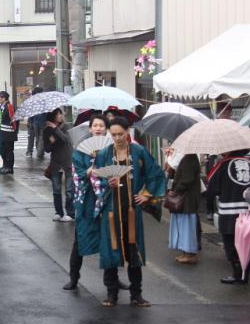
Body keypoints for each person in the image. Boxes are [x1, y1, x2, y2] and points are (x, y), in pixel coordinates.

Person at [94, 117, 166, 307]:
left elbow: (156, 174)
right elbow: (97, 179)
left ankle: (136, 294)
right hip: (111, 210)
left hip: (132, 210)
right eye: (114, 134)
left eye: (121, 134)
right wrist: (106, 183)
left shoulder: (139, 152)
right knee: (111, 249)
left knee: (134, 249)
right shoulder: (104, 154)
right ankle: (111, 294)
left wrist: (146, 194)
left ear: (128, 132)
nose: (117, 138)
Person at [64, 114, 127, 291]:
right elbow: (76, 175)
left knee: (111, 240)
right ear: (90, 128)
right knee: (80, 239)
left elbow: (119, 171)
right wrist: (88, 172)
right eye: (95, 125)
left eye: (102, 125)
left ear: (106, 129)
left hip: (108, 199)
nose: (98, 128)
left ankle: (113, 279)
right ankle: (74, 277)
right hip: (87, 200)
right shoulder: (81, 150)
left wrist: (110, 177)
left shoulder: (112, 148)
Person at [206, 148, 250, 284]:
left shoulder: (223, 164)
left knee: (231, 244)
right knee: (247, 243)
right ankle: (245, 275)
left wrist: (209, 208)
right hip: (249, 212)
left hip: (228, 212)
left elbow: (212, 188)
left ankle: (237, 274)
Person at [166, 152, 202, 264]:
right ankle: (186, 252)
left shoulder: (189, 159)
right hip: (187, 199)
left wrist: (175, 191)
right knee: (185, 226)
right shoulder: (190, 158)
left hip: (187, 200)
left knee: (187, 227)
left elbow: (187, 179)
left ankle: (190, 253)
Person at [44, 109, 75, 222]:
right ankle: (58, 212)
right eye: (57, 114)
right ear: (52, 116)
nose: (60, 116)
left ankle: (70, 213)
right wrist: (52, 142)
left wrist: (55, 129)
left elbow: (66, 139)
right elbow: (47, 149)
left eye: (60, 113)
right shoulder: (47, 130)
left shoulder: (66, 127)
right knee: (56, 189)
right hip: (56, 162)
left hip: (68, 161)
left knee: (69, 190)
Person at [0, 91, 17, 174]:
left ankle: (9, 167)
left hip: (9, 133)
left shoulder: (9, 106)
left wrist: (14, 131)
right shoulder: (2, 106)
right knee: (3, 150)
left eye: (0, 97)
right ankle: (5, 165)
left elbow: (14, 120)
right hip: (3, 132)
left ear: (4, 98)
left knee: (8, 151)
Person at [26, 86, 45, 158]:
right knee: (39, 138)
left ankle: (30, 152)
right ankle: (39, 152)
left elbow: (30, 112)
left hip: (33, 121)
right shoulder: (42, 100)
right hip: (39, 122)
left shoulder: (32, 100)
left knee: (33, 137)